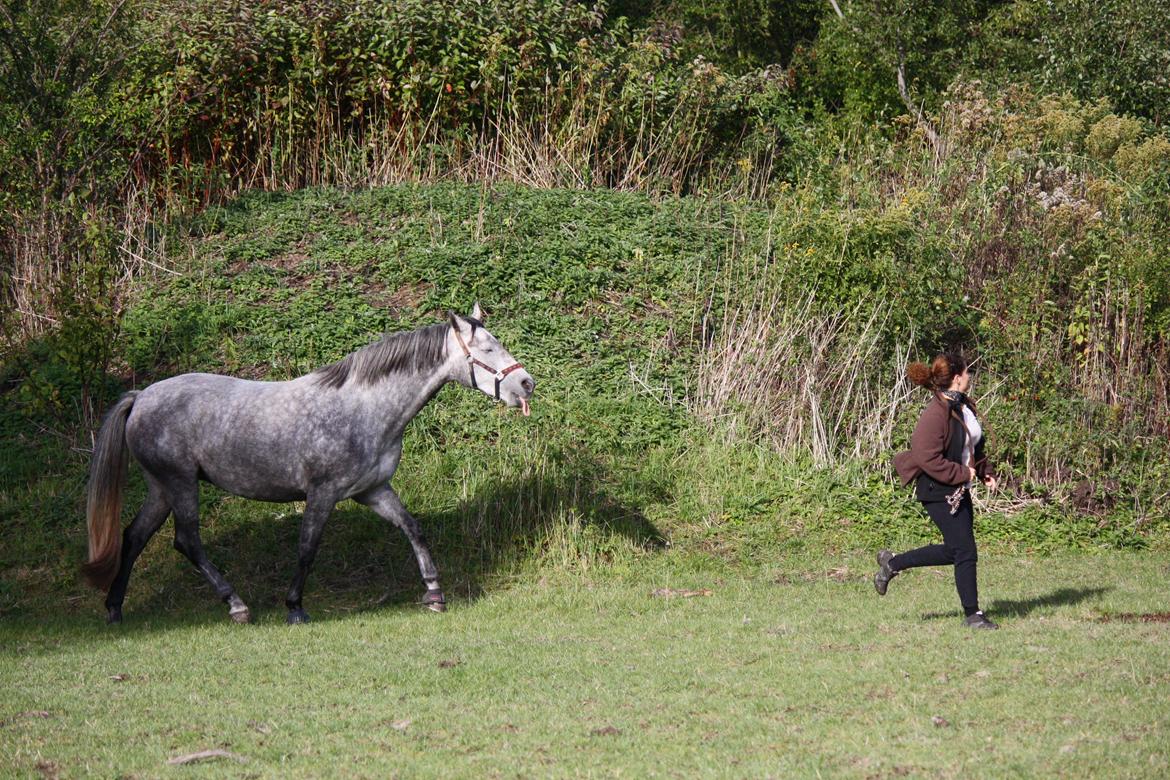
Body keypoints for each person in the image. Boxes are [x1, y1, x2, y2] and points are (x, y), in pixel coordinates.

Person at [875, 352, 1000, 629]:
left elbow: (971, 445)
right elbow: (926, 457)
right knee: (965, 552)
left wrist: (983, 471)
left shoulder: (962, 406)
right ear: (957, 378)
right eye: (968, 373)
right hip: (937, 489)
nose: (970, 377)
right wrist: (961, 473)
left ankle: (893, 564)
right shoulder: (935, 414)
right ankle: (973, 616)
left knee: (957, 550)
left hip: (956, 488)